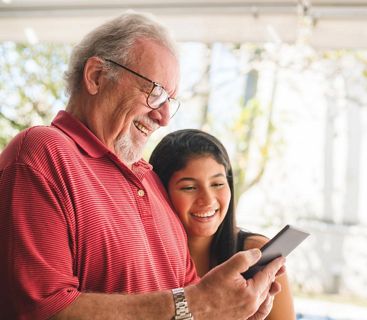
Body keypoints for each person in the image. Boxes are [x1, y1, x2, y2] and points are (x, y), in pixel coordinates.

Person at [0, 11, 286, 320]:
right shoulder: (42, 152)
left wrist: (234, 311)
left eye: (170, 102)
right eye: (156, 93)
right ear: (97, 76)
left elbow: (190, 303)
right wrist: (195, 304)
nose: (164, 118)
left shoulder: (148, 178)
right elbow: (41, 309)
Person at [149, 129, 296, 320]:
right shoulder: (144, 259)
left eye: (217, 184)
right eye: (189, 187)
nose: (208, 200)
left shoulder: (255, 253)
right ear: (159, 192)